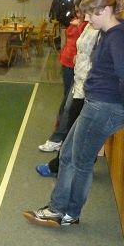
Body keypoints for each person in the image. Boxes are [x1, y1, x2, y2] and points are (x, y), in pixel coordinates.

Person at [24, 0, 124, 227]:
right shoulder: (114, 30)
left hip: (104, 107)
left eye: (91, 14)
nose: (86, 18)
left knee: (80, 162)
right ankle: (62, 209)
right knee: (66, 154)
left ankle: (64, 212)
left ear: (106, 10)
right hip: (95, 103)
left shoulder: (118, 36)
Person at [35, 19, 100, 177]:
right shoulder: (89, 26)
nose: (85, 17)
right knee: (74, 126)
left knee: (74, 129)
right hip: (79, 83)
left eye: (85, 12)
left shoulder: (104, 32)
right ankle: (69, 165)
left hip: (87, 88)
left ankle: (61, 166)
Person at [38, 0, 95, 152]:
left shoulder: (89, 22)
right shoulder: (76, 13)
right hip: (69, 62)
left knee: (68, 105)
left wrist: (78, 23)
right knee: (66, 102)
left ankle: (60, 138)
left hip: (78, 67)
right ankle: (61, 136)